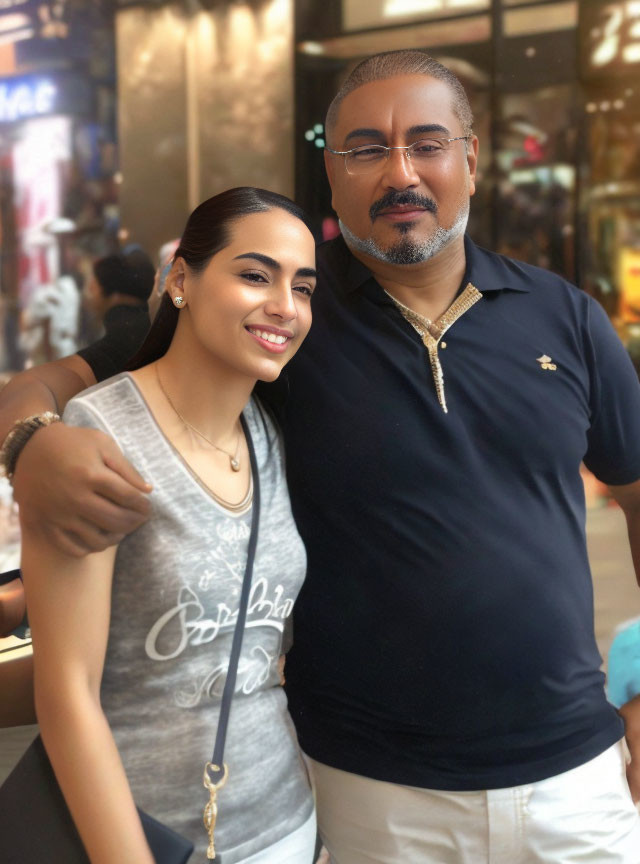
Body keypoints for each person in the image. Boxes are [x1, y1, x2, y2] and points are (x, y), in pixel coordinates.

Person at [3, 50, 640, 863]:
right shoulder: (275, 319)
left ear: (471, 160)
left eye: (427, 143)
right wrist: (34, 443)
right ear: (332, 174)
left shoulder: (568, 319)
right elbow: (46, 386)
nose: (400, 171)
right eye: (366, 148)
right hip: (371, 791)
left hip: (574, 780)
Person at [12, 187, 318, 863]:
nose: (284, 306)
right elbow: (67, 694)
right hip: (151, 835)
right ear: (181, 278)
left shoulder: (269, 433)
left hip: (288, 822)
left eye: (302, 287)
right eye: (255, 275)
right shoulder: (98, 435)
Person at [82, 247, 156, 378]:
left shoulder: (118, 336)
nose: (88, 295)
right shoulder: (154, 321)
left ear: (115, 294)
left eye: (93, 287)